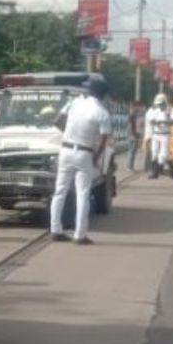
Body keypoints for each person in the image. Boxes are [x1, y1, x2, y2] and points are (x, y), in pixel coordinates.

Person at [50, 78, 114, 245]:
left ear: (90, 92)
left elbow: (57, 121)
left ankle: (55, 230)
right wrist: (96, 158)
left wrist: (69, 134)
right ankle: (80, 235)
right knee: (83, 194)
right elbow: (103, 141)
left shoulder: (75, 102)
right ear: (103, 95)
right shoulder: (102, 113)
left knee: (59, 191)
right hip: (84, 153)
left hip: (65, 149)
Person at [144, 93, 173, 179]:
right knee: (154, 153)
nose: (160, 105)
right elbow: (150, 120)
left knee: (163, 155)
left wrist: (166, 122)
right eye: (159, 104)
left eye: (161, 103)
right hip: (156, 134)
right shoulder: (153, 110)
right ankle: (155, 172)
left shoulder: (170, 110)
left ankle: (158, 171)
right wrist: (155, 123)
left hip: (165, 135)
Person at [127, 101, 143, 171]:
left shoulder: (133, 114)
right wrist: (134, 134)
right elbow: (131, 126)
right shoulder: (132, 114)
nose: (140, 108)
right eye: (139, 106)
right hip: (132, 135)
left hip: (131, 134)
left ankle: (130, 166)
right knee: (132, 151)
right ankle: (129, 166)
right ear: (135, 106)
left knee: (132, 151)